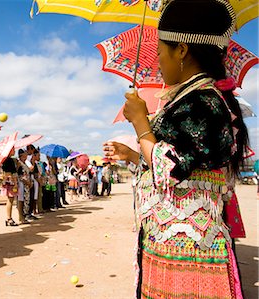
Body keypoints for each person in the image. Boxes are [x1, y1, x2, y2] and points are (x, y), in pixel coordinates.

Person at [104, 0, 247, 297]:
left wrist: (141, 124)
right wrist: (133, 154)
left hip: (189, 252)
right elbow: (185, 164)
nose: (157, 60)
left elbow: (169, 170)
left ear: (181, 49)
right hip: (172, 246)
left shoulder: (204, 102)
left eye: (159, 51)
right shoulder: (191, 99)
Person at [1, 148, 18, 226]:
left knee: (10, 200)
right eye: (13, 150)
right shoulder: (9, 160)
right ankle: (9, 218)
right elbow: (12, 173)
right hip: (11, 181)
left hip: (8, 181)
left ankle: (9, 217)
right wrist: (15, 183)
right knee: (10, 200)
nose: (14, 151)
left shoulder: (5, 159)